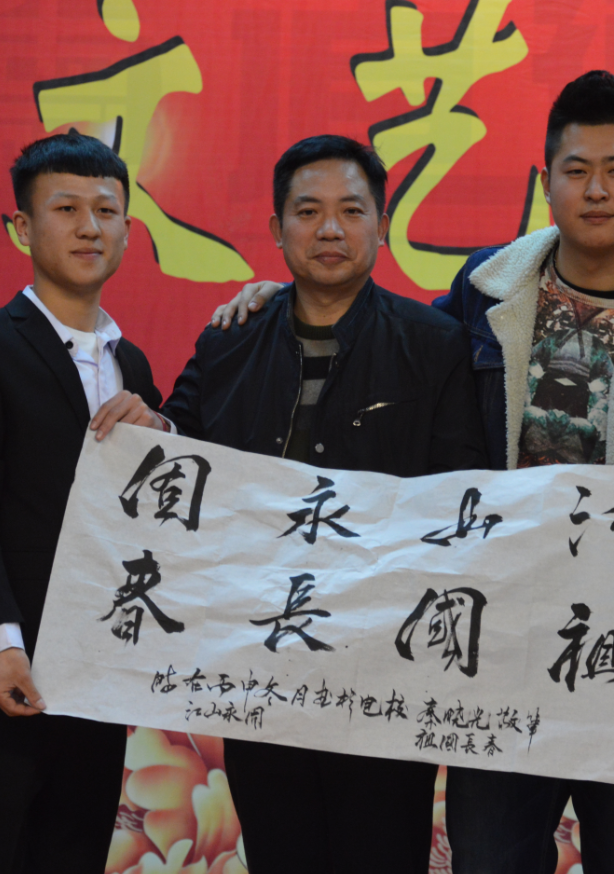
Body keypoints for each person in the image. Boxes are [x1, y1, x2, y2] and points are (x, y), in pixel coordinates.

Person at [209, 72, 614, 874]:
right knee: (489, 857)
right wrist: (293, 299)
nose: (595, 190)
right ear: (546, 181)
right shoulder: (485, 292)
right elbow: (390, 343)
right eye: (576, 170)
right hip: (497, 644)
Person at [125, 134, 488, 873]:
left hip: (381, 667)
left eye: (351, 211)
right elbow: (181, 453)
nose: (330, 229)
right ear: (276, 228)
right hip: (262, 659)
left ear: (382, 226)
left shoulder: (435, 345)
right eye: (308, 211)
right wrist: (147, 429)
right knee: (282, 852)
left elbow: (459, 496)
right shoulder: (229, 341)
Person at [0, 130, 168, 874]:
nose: (89, 227)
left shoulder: (132, 366)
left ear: (128, 228)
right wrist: (3, 646)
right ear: (23, 228)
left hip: (100, 676)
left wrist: (163, 431)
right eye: (66, 209)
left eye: (106, 210)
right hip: (11, 673)